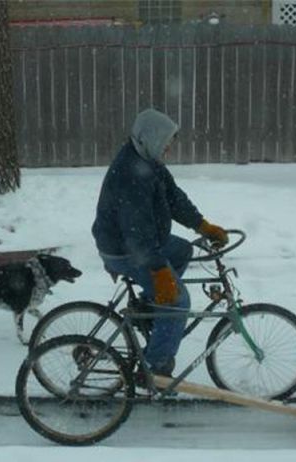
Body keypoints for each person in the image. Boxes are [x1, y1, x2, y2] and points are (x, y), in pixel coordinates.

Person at [91, 108, 228, 377]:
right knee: (178, 302)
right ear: (151, 139)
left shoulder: (148, 161)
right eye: (166, 143)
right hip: (124, 250)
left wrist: (202, 225)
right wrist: (158, 269)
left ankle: (150, 310)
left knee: (182, 250)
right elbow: (137, 232)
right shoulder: (132, 174)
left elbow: (174, 197)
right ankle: (155, 368)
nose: (168, 149)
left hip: (140, 242)